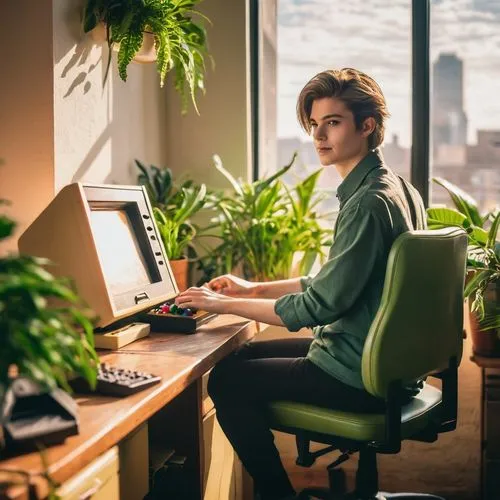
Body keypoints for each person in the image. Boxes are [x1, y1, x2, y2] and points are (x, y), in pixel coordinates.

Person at [175, 68, 426, 500]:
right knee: (240, 359)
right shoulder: (398, 188)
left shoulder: (368, 202)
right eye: (314, 124)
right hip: (383, 367)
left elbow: (319, 306)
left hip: (356, 376)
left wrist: (221, 304)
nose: (319, 135)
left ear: (367, 126)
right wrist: (251, 288)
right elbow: (341, 281)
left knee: (227, 383)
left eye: (333, 122)